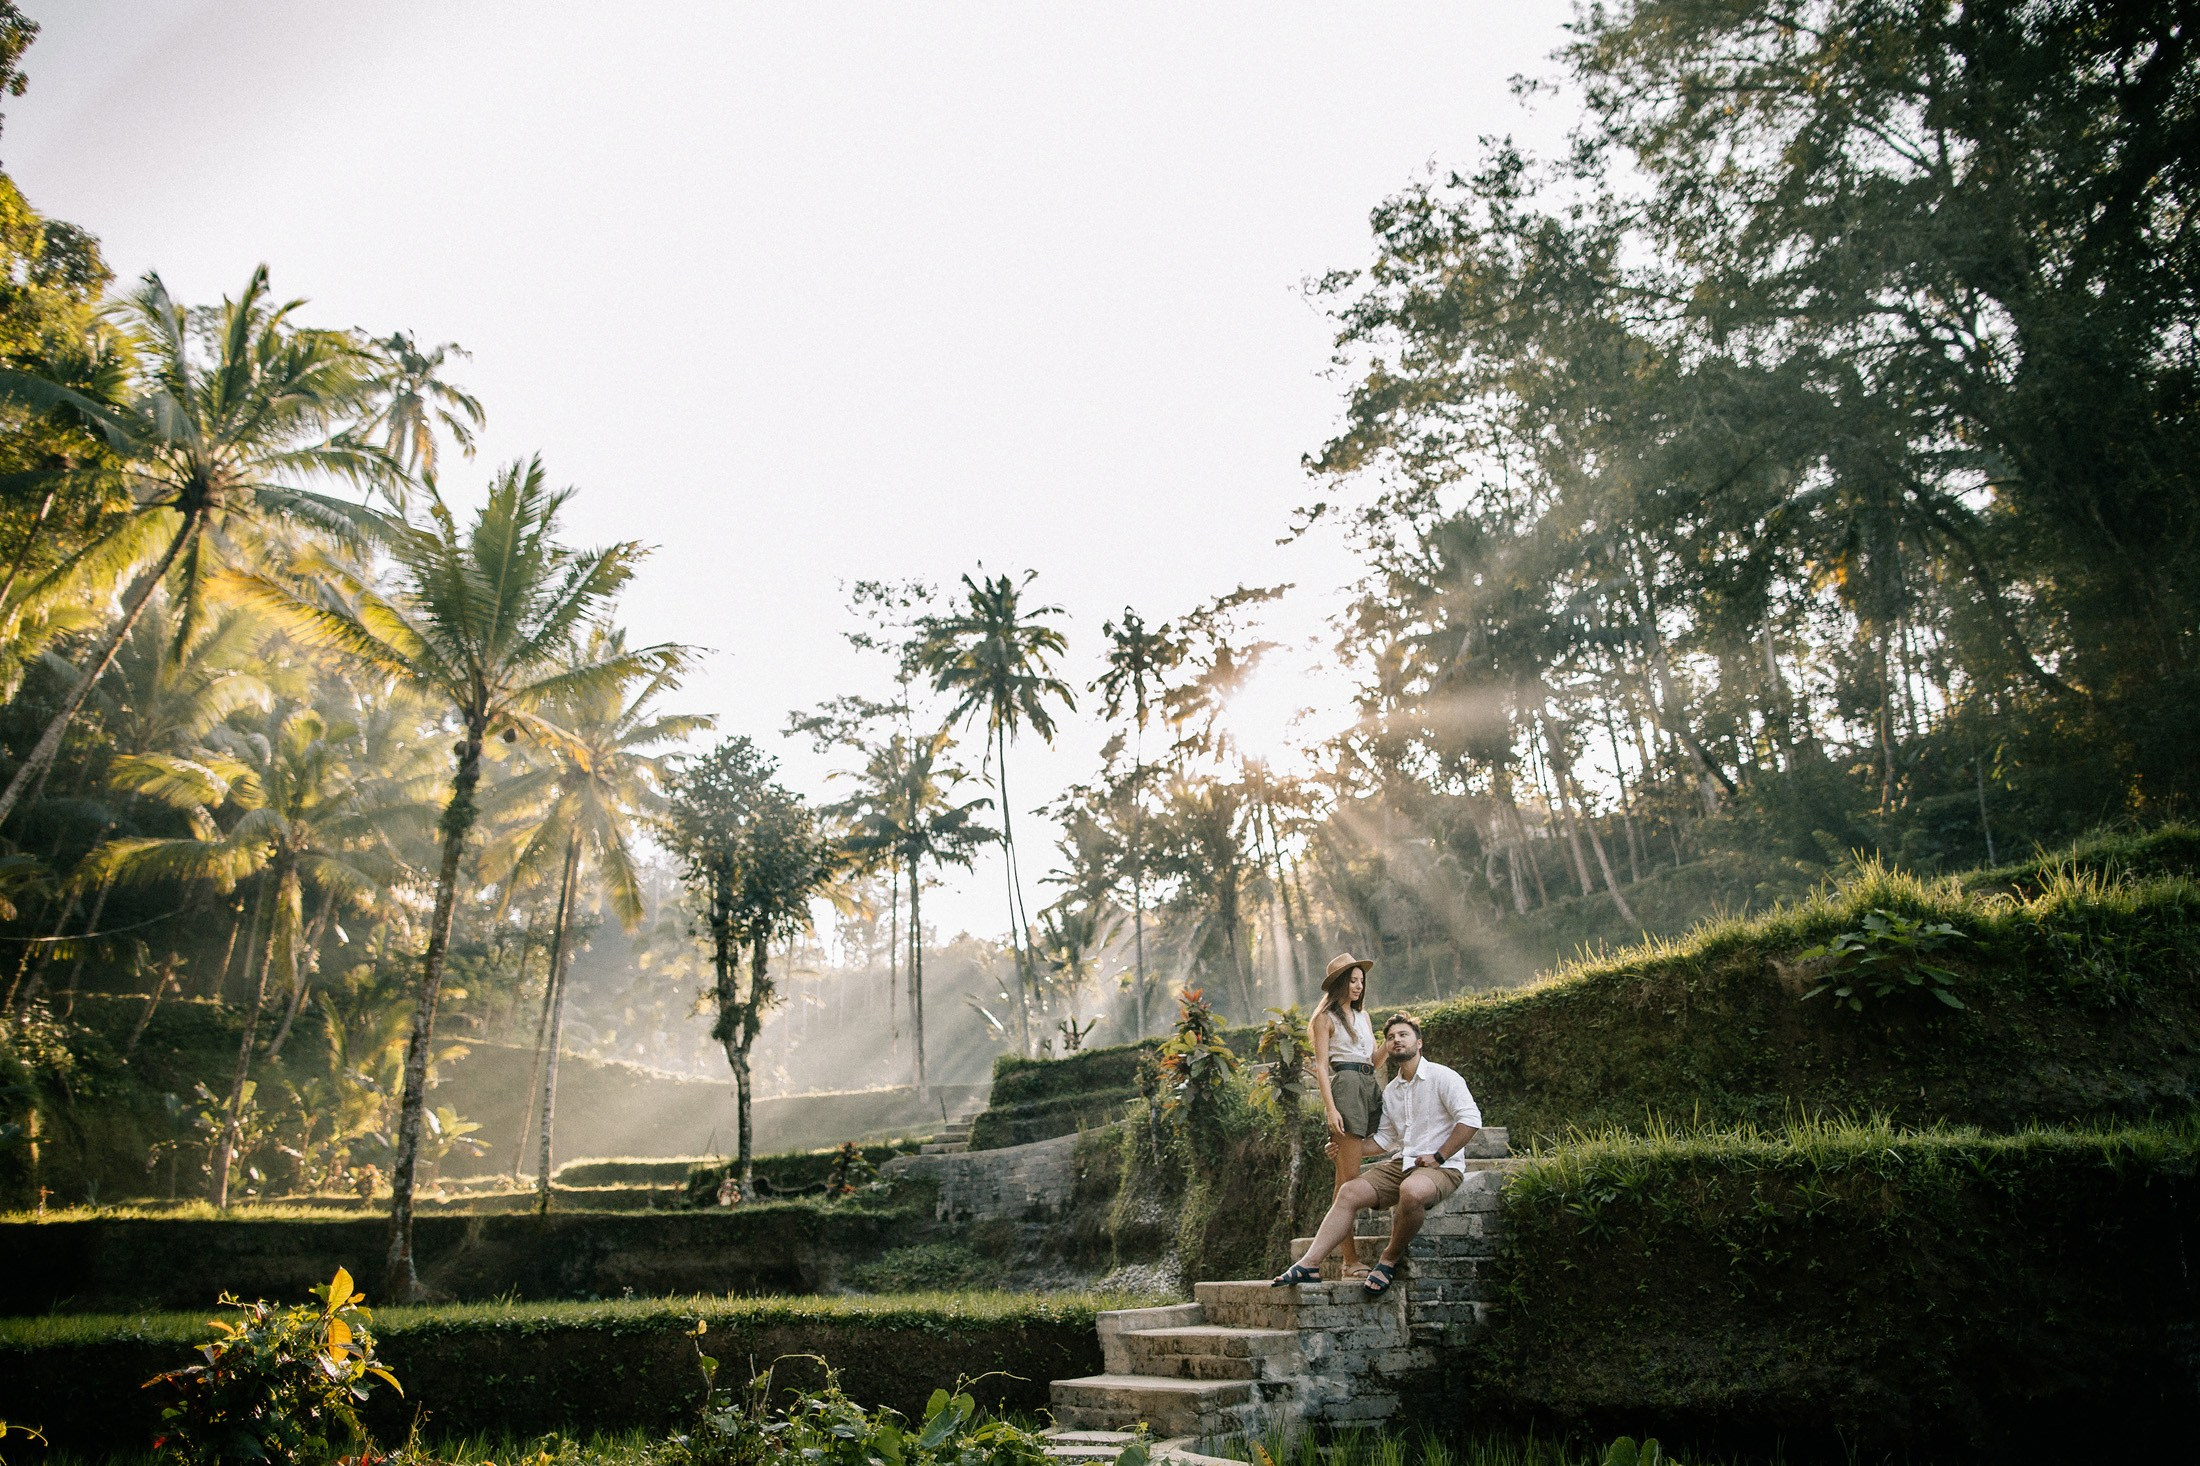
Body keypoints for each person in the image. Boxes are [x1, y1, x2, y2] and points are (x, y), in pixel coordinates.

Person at [1270, 1010, 1481, 1296]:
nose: (1396, 1041)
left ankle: (1388, 1259)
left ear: (1419, 1043)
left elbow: (1470, 1119)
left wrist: (1440, 1156)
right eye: (1391, 1037)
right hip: (1402, 1163)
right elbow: (1384, 1139)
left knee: (1412, 1191)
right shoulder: (1392, 1090)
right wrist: (1347, 1150)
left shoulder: (1443, 1077)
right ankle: (1310, 1263)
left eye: (1403, 1035)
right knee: (1348, 1192)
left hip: (1442, 1168)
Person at [1306, 951, 1381, 1276]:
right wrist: (1331, 1109)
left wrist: (1390, 1047)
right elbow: (1322, 1067)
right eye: (1352, 981)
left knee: (1345, 1179)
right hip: (1346, 1088)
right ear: (1339, 983)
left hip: (1368, 1087)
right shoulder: (1325, 1019)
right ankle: (1349, 1260)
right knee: (1348, 1181)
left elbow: (1371, 1062)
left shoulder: (1363, 1018)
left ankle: (1344, 1260)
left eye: (1361, 981)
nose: (1358, 987)